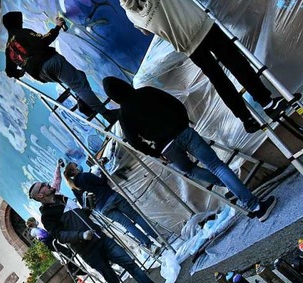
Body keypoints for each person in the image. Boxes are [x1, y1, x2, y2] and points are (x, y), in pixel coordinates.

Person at [100, 0, 287, 133]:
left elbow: (144, 30)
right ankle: (267, 102)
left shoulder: (128, 11)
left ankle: (246, 119)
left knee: (218, 80)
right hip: (200, 25)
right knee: (236, 63)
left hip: (186, 44)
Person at [102, 76, 277, 222]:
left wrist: (155, 153)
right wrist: (183, 122)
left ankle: (233, 187)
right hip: (183, 131)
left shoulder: (123, 116)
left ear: (113, 97)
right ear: (124, 84)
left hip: (166, 147)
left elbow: (134, 142)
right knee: (217, 166)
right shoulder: (147, 91)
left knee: (191, 171)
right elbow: (176, 104)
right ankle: (255, 206)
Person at [28, 181, 180, 283]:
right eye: (43, 186)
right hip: (87, 250)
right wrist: (81, 235)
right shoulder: (47, 216)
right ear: (40, 196)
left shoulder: (63, 198)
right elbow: (59, 236)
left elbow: (83, 215)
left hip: (100, 237)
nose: (48, 185)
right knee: (112, 279)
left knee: (129, 263)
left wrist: (89, 206)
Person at [2, 11, 118, 124]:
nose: (21, 22)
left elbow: (9, 72)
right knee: (79, 85)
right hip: (51, 61)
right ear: (15, 22)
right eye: (19, 20)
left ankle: (84, 105)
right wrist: (57, 27)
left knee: (80, 76)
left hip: (42, 75)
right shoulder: (22, 33)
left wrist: (21, 71)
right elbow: (43, 41)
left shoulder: (8, 49)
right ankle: (107, 114)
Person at [64, 162, 160, 253]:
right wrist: (102, 169)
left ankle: (150, 245)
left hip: (103, 208)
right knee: (135, 216)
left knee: (127, 225)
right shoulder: (85, 175)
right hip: (111, 196)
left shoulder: (75, 188)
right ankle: (157, 236)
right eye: (76, 165)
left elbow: (84, 204)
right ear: (73, 171)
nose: (78, 166)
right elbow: (102, 182)